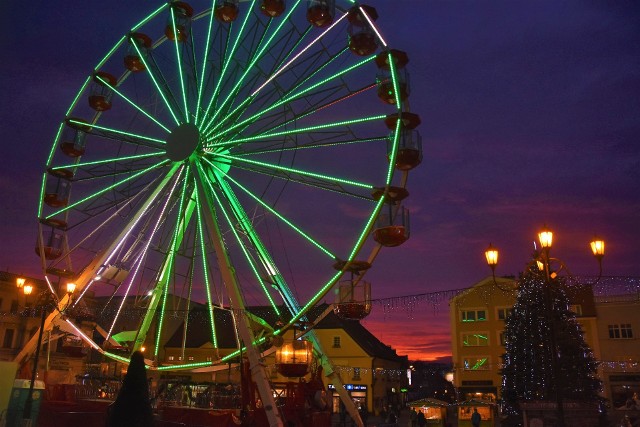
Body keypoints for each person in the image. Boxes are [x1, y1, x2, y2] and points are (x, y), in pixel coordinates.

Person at [106, 351, 154, 427]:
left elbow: (125, 388)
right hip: (139, 409)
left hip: (125, 408)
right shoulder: (142, 375)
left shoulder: (130, 373)